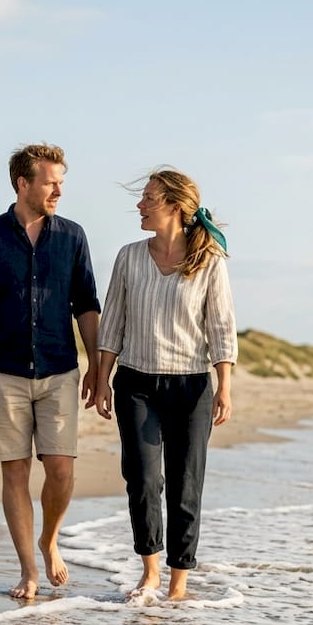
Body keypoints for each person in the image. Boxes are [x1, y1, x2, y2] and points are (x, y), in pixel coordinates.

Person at [0, 142, 101, 600]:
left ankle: (49, 538)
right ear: (23, 183)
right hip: (2, 370)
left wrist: (98, 365)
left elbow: (87, 305)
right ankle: (28, 570)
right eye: (50, 182)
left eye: (61, 182)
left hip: (60, 369)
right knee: (14, 473)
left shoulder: (73, 236)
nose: (58, 190)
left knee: (60, 469)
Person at [88, 166, 238, 601]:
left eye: (149, 198)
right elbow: (112, 322)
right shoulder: (129, 256)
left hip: (191, 387)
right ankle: (149, 572)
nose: (140, 204)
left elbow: (221, 327)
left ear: (174, 206)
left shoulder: (208, 261)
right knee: (141, 477)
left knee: (185, 483)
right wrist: (102, 378)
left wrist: (224, 386)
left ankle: (178, 582)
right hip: (136, 383)